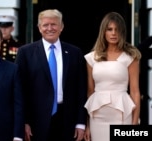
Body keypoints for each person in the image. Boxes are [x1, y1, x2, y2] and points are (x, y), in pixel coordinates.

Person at [15, 9, 87, 141]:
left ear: (61, 27)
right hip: (36, 122)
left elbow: (81, 90)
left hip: (67, 120)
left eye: (54, 24)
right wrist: (24, 122)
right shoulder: (25, 52)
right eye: (45, 25)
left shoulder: (74, 52)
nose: (50, 28)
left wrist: (81, 122)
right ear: (39, 28)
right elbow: (20, 90)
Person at [83, 12, 141, 141]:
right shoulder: (92, 58)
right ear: (103, 31)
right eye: (110, 29)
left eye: (117, 30)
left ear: (122, 32)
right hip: (97, 117)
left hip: (122, 114)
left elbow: (135, 91)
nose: (113, 33)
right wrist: (86, 124)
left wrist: (135, 123)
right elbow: (90, 92)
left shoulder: (131, 57)